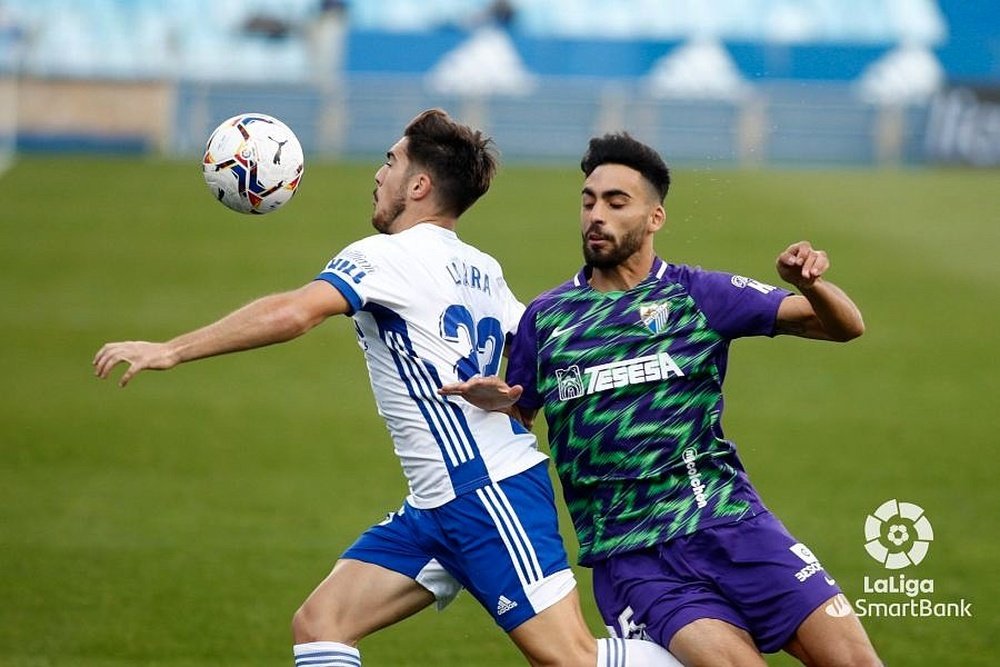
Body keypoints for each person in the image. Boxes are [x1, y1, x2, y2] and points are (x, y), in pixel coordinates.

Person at [93, 111, 680, 667]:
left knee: (568, 657)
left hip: (486, 494)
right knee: (321, 623)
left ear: (420, 184)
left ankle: (715, 654)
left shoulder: (382, 257)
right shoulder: (482, 268)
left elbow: (297, 312)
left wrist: (172, 349)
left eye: (391, 161)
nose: (379, 173)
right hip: (435, 503)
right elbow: (540, 352)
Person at [440, 133, 883, 666]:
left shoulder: (697, 295)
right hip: (635, 558)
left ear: (655, 218)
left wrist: (810, 285)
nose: (595, 215)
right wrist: (498, 401)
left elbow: (844, 326)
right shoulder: (548, 317)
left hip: (733, 524)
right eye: (588, 201)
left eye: (615, 202)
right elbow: (522, 412)